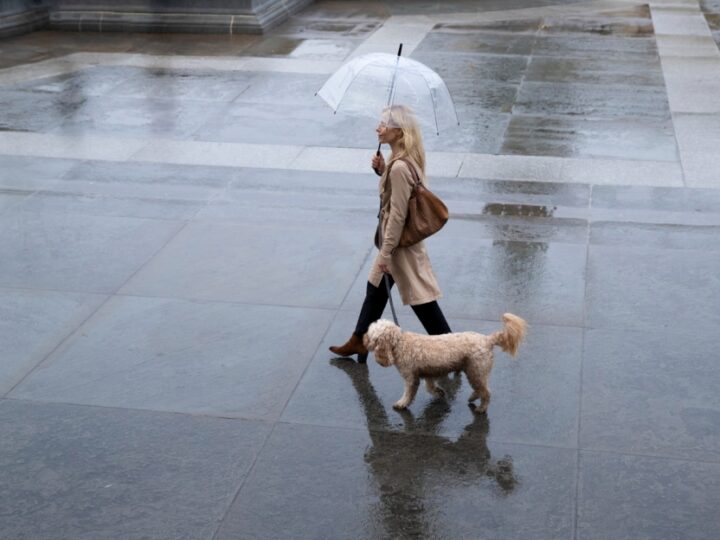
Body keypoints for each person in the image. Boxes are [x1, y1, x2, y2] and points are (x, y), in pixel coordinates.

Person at [329, 105, 452, 363]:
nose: (378, 127)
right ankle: (360, 340)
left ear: (399, 132)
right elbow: (399, 196)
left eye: (384, 124)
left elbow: (397, 214)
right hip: (396, 242)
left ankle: (451, 350)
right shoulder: (402, 162)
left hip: (399, 246)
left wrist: (385, 252)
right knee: (375, 288)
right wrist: (382, 170)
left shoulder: (399, 168)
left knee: (422, 301)